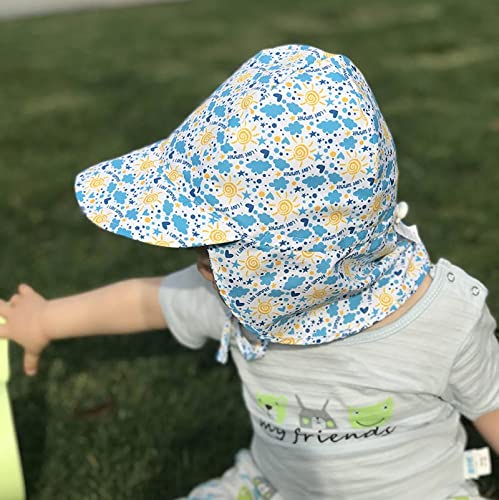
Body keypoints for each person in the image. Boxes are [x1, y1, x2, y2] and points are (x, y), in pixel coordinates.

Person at [1, 44, 498, 500]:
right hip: (274, 484)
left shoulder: (444, 321)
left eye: (218, 249)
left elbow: (492, 407)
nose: (201, 263)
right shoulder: (234, 297)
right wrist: (45, 320)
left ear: (284, 262)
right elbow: (142, 302)